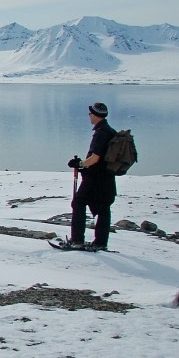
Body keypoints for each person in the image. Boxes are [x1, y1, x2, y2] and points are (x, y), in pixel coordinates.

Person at [65, 102, 118, 250]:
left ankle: (77, 240)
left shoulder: (101, 133)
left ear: (94, 115)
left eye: (90, 114)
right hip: (107, 177)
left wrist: (80, 164)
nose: (89, 116)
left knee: (78, 202)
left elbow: (95, 158)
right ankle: (101, 242)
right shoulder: (110, 131)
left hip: (95, 178)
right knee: (103, 208)